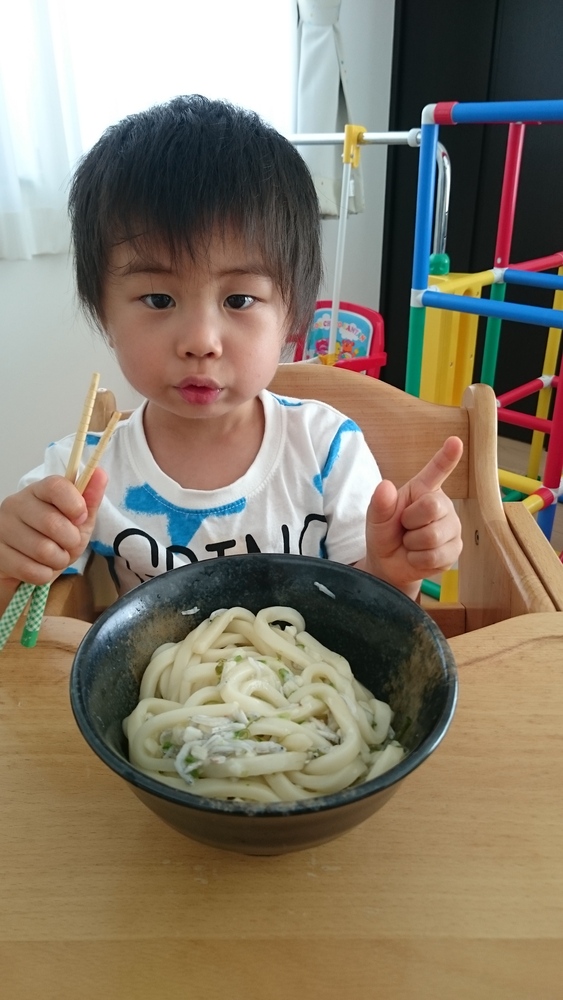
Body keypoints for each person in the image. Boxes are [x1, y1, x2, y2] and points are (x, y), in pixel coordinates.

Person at [0, 95, 462, 608]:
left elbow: (368, 617)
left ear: (292, 317)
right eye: (159, 299)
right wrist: (11, 555)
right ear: (103, 313)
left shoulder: (326, 448)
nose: (200, 341)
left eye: (239, 299)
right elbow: (21, 619)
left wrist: (392, 574)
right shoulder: (81, 471)